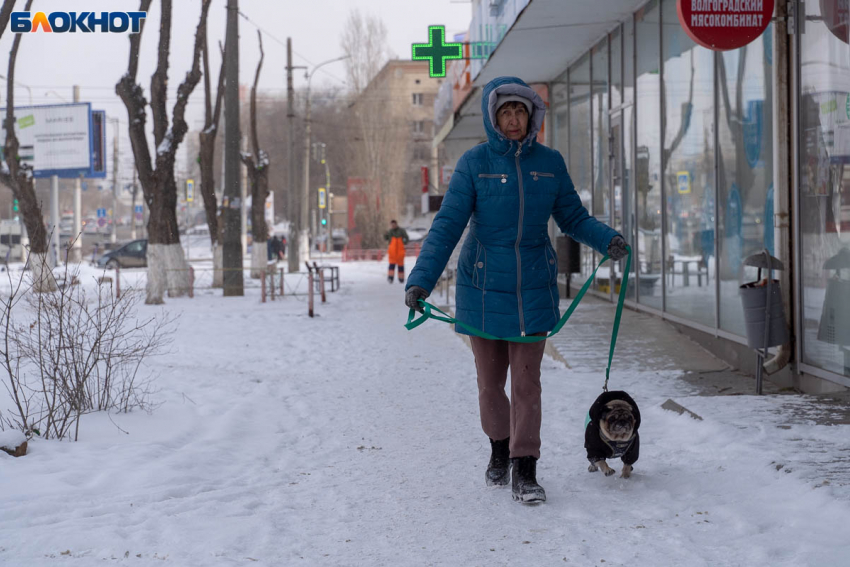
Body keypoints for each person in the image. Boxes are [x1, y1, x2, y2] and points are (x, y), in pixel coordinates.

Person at [404, 76, 629, 505]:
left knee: (528, 384)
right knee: (491, 386)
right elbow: (448, 225)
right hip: (482, 288)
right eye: (505, 112)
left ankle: (525, 467)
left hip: (532, 290)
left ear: (532, 117)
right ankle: (498, 448)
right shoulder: (474, 163)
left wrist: (607, 240)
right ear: (494, 118)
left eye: (520, 112)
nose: (513, 119)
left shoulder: (549, 163)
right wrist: (421, 280)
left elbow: (573, 218)